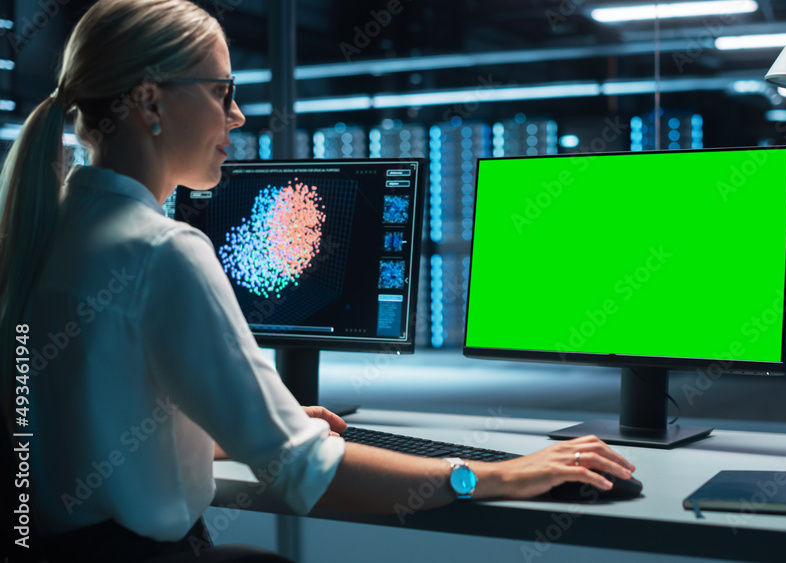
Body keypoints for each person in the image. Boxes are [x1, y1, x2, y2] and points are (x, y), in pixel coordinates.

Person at [0, 1, 635, 561]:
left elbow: (85, 426)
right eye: (223, 92)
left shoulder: (47, 232)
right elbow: (306, 471)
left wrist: (233, 426)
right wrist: (495, 476)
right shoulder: (162, 251)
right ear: (149, 101)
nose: (239, 116)